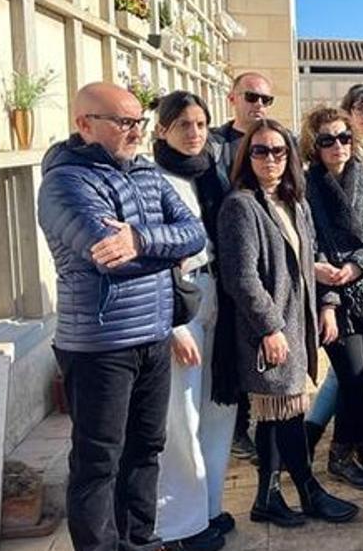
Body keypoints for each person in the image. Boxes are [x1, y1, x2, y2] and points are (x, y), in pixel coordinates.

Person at [38, 82, 207, 551]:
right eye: (124, 122)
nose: (135, 131)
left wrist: (140, 239)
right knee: (98, 462)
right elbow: (104, 253)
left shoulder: (147, 173)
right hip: (100, 344)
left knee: (145, 450)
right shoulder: (65, 183)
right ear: (85, 124)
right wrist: (152, 245)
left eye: (138, 122)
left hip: (152, 334)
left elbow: (193, 234)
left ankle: (140, 541)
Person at [218, 120, 358, 527]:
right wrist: (269, 328)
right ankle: (307, 491)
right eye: (260, 151)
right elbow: (241, 278)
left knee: (281, 413)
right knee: (284, 412)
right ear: (248, 157)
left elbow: (310, 259)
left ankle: (268, 497)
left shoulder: (293, 201)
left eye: (279, 151)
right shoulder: (241, 206)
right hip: (269, 331)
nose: (271, 159)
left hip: (297, 326)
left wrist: (328, 304)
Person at [151, 92, 241, 550]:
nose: (194, 133)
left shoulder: (214, 173)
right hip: (180, 300)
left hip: (218, 295)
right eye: (183, 124)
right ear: (162, 129)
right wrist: (172, 325)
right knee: (181, 416)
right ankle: (179, 525)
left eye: (201, 124)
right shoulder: (151, 179)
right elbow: (147, 259)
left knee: (218, 408)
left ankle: (208, 506)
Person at [301, 107, 363, 489]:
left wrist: (359, 264)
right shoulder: (308, 186)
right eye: (327, 140)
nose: (338, 146)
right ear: (315, 145)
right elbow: (310, 244)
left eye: (344, 137)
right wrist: (330, 294)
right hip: (333, 298)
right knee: (353, 379)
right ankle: (341, 453)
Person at [210, 71, 277, 459]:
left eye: (266, 99)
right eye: (252, 96)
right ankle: (237, 427)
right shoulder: (215, 146)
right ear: (232, 97)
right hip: (228, 261)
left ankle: (266, 428)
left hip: (268, 263)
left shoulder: (276, 141)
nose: (259, 106)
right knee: (236, 347)